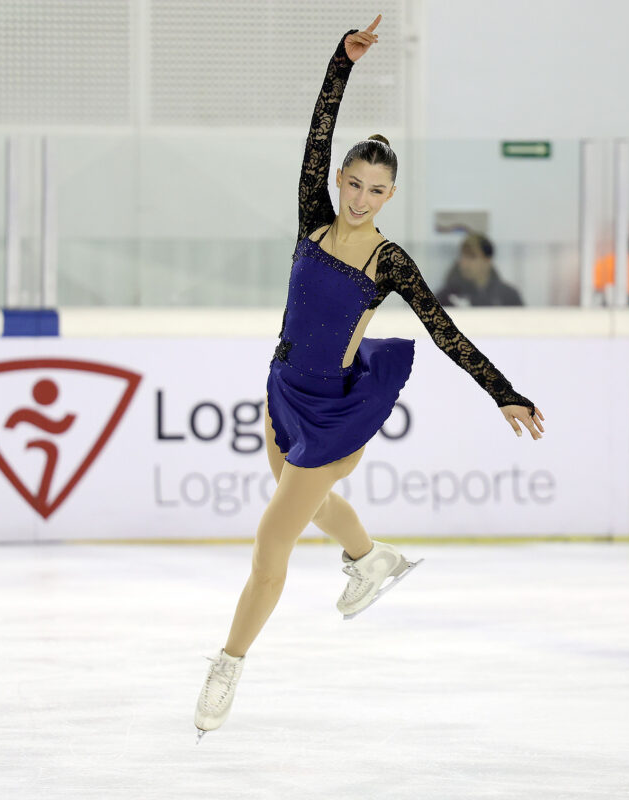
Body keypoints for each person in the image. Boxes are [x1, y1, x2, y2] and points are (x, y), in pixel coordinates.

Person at [194, 15, 545, 740]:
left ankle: (228, 664)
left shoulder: (388, 261)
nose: (359, 198)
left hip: (334, 411)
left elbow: (445, 330)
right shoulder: (313, 224)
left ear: (390, 195)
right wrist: (341, 61)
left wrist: (503, 390)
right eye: (353, 183)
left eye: (375, 190)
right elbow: (318, 132)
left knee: (270, 547)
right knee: (315, 509)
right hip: (281, 392)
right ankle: (369, 556)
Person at [435, 232, 524, 307]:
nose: (464, 263)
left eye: (472, 257)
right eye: (463, 256)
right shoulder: (446, 297)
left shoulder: (508, 296)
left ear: (487, 261)